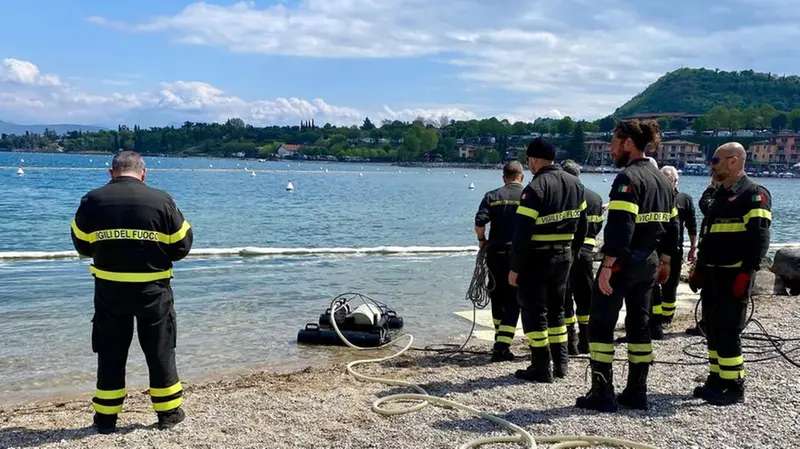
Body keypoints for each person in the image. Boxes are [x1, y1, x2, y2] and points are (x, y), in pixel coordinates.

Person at [70, 151, 193, 433]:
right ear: (143, 173)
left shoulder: (92, 200)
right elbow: (182, 245)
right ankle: (168, 413)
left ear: (111, 173)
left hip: (110, 291)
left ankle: (105, 419)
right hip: (153, 291)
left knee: (111, 352)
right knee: (160, 349)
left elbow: (82, 244)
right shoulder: (162, 200)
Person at [575, 119, 679, 413]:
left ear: (628, 144)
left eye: (613, 143)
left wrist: (608, 265)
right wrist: (667, 261)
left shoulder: (627, 179)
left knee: (601, 324)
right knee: (639, 326)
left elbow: (621, 227)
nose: (610, 149)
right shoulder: (662, 180)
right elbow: (672, 226)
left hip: (623, 263)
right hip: (649, 262)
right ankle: (637, 391)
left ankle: (602, 392)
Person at [689, 142, 771, 406]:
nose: (712, 165)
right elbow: (708, 235)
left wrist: (747, 273)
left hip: (734, 274)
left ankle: (734, 385)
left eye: (716, 161)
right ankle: (717, 378)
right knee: (712, 328)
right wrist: (699, 268)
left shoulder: (753, 194)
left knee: (727, 330)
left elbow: (759, 238)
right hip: (713, 273)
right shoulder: (719, 195)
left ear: (733, 161)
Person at [508, 138, 587, 382]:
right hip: (564, 256)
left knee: (533, 310)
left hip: (537, 258)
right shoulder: (576, 184)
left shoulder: (535, 188)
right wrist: (572, 252)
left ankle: (541, 366)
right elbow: (583, 226)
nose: (528, 164)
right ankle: (561, 363)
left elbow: (522, 233)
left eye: (529, 160)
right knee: (557, 309)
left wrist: (514, 268)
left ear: (534, 160)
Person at [474, 161, 525, 362]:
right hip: (518, 255)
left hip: (495, 254)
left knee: (497, 295)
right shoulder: (529, 195)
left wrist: (482, 240)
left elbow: (479, 222)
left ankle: (499, 338)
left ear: (504, 177)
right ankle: (502, 345)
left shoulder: (492, 196)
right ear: (521, 176)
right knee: (514, 299)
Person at [559, 159, 604, 355]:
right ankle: (586, 340)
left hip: (568, 252)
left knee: (565, 298)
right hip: (587, 253)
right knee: (585, 298)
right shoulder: (595, 198)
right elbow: (598, 226)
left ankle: (571, 342)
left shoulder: (564, 196)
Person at [650, 165, 698, 335]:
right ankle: (654, 319)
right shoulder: (656, 197)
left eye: (671, 179)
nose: (668, 182)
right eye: (665, 178)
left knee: (671, 286)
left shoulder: (684, 199)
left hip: (675, 249)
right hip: (655, 248)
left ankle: (667, 318)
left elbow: (692, 225)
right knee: (653, 284)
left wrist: (693, 247)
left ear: (676, 181)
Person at [686, 177, 718, 336]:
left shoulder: (728, 196)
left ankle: (713, 325)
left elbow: (706, 205)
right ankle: (707, 323)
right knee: (707, 292)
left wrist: (712, 188)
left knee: (715, 293)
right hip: (708, 254)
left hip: (720, 257)